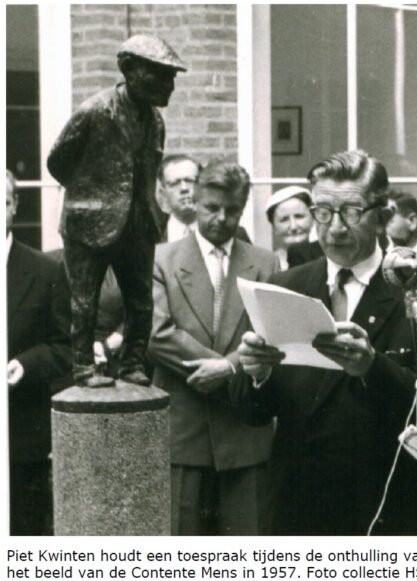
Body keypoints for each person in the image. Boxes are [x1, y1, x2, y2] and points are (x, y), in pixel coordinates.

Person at [229, 150, 417, 535]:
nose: (335, 228)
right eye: (323, 212)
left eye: (352, 212)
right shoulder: (284, 286)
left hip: (389, 514)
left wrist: (372, 368)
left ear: (383, 214)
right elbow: (252, 412)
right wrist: (254, 374)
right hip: (300, 511)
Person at [47, 34, 186, 388]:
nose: (169, 85)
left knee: (140, 302)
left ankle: (132, 364)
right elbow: (58, 161)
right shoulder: (95, 111)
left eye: (172, 76)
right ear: (129, 69)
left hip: (137, 223)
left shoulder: (155, 121)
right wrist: (93, 195)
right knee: (84, 302)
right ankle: (83, 368)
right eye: (160, 74)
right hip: (89, 222)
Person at [148, 160, 278, 535]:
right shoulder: (162, 259)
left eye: (232, 210)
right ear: (195, 201)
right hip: (182, 427)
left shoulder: (265, 263)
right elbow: (157, 333)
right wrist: (224, 365)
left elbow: (269, 332)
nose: (221, 218)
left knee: (247, 552)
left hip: (244, 431)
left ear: (243, 207)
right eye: (211, 208)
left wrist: (229, 368)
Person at [7, 170, 72, 535]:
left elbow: (64, 347)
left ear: (14, 206)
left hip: (21, 440)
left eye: (1, 203)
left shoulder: (45, 270)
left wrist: (24, 365)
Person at [158, 153, 251, 244]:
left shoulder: (237, 235)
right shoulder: (152, 237)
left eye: (190, 181)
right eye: (175, 183)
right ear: (163, 192)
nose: (184, 188)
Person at [265, 186, 314, 270]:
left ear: (313, 219)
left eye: (299, 216)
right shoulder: (269, 265)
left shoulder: (328, 258)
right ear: (274, 227)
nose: (293, 226)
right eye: (284, 220)